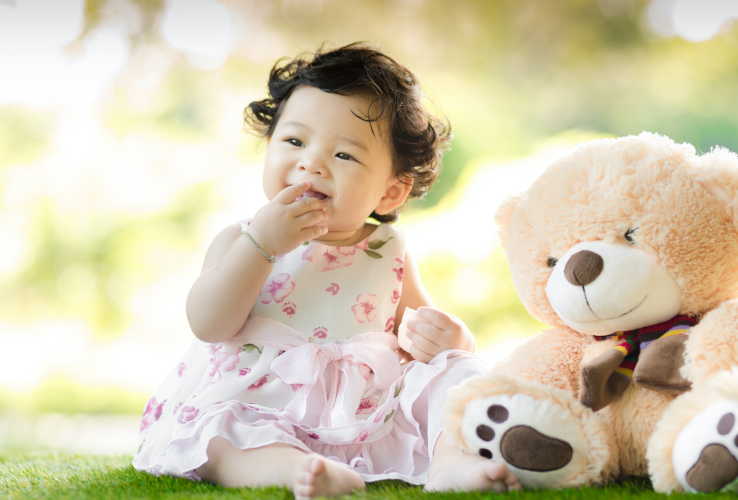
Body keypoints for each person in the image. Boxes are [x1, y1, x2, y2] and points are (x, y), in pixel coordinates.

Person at [132, 43, 521, 499]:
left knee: (458, 372)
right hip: (261, 403)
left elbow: (420, 340)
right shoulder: (242, 240)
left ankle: (452, 462)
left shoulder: (388, 249)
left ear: (390, 194)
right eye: (295, 142)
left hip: (363, 409)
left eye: (344, 156)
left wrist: (452, 342)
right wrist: (262, 245)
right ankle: (298, 469)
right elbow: (208, 324)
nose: (311, 163)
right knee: (218, 433)